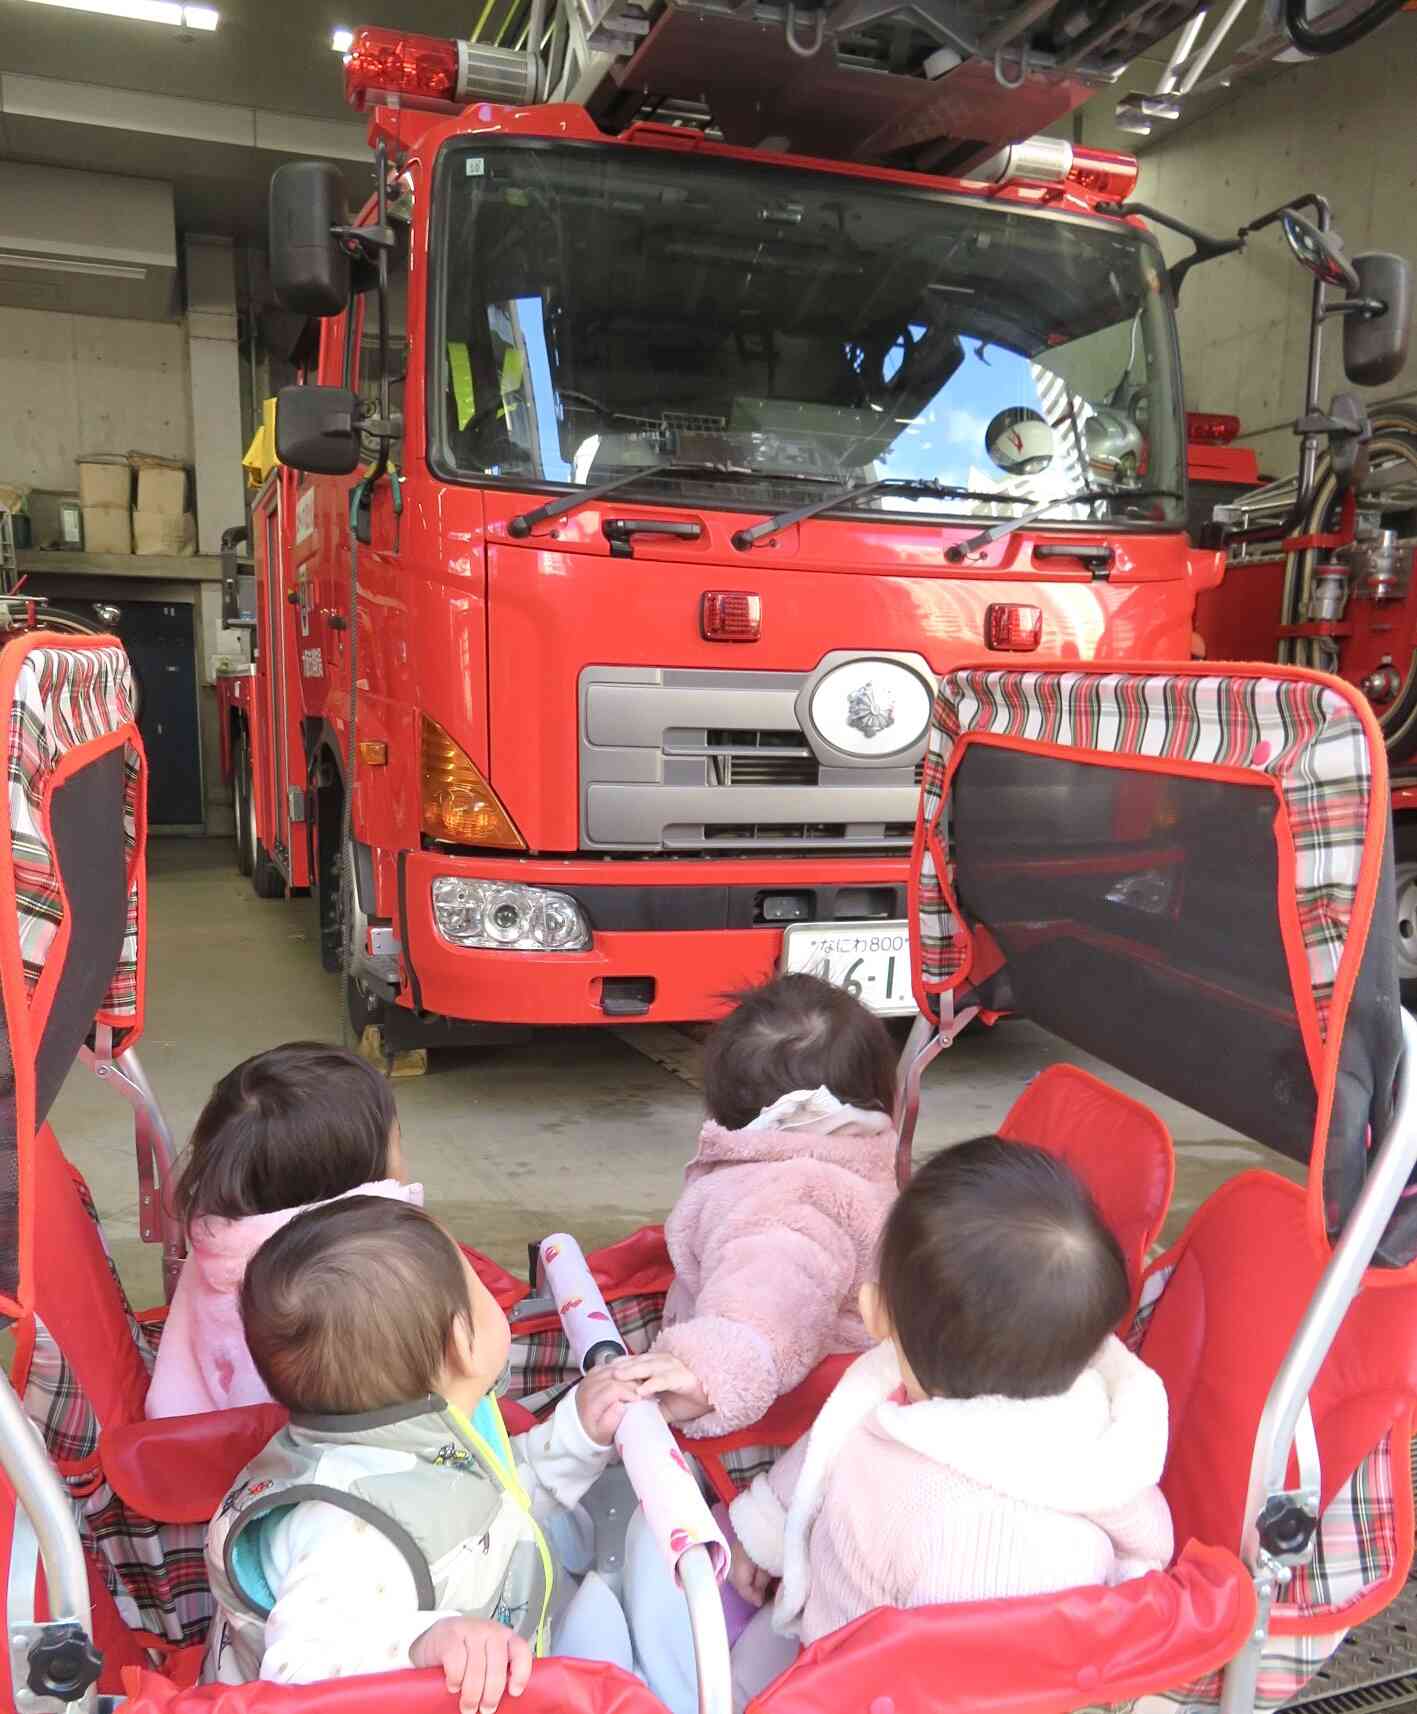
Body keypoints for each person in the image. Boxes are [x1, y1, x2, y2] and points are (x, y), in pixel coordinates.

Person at [626, 1137, 1174, 1714]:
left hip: (869, 1688)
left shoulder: (1009, 1547)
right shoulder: (911, 1380)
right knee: (679, 1596)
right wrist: (760, 1535)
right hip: (824, 1627)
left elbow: (960, 1686)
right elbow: (826, 1445)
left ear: (885, 1317)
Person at [204, 1196, 640, 1712]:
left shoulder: (420, 1434)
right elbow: (297, 1673)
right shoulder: (350, 1532)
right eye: (481, 1291)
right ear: (463, 1340)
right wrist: (421, 1642)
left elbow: (487, 1507)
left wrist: (577, 1434)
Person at [616, 973, 899, 1438]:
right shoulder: (854, 1155)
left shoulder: (790, 1197)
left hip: (781, 1421)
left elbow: (771, 1299)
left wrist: (705, 1370)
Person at [147, 1042, 421, 1419]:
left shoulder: (224, 1239)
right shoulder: (339, 1288)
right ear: (358, 1184)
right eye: (398, 1141)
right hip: (260, 1456)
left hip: (186, 1425)